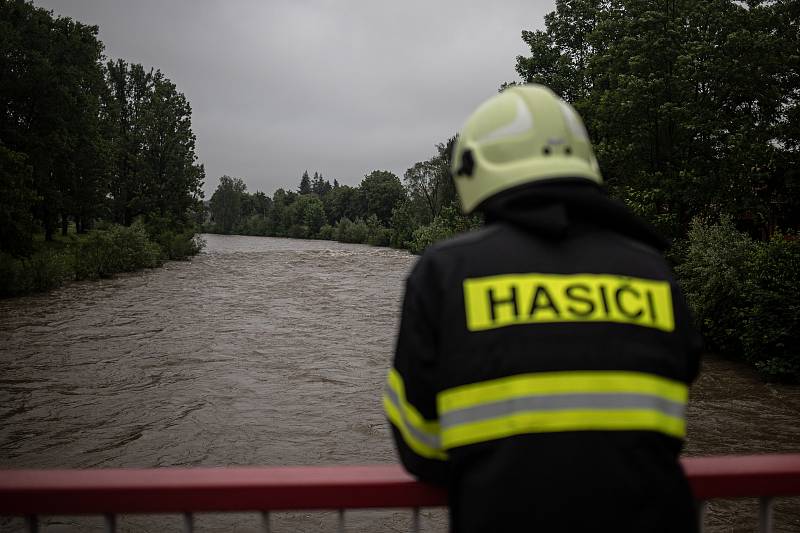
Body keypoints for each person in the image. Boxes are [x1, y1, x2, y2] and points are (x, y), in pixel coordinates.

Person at [383, 84, 702, 532]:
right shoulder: (652, 271)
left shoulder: (446, 273)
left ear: (476, 168)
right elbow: (672, 413)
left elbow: (419, 444)